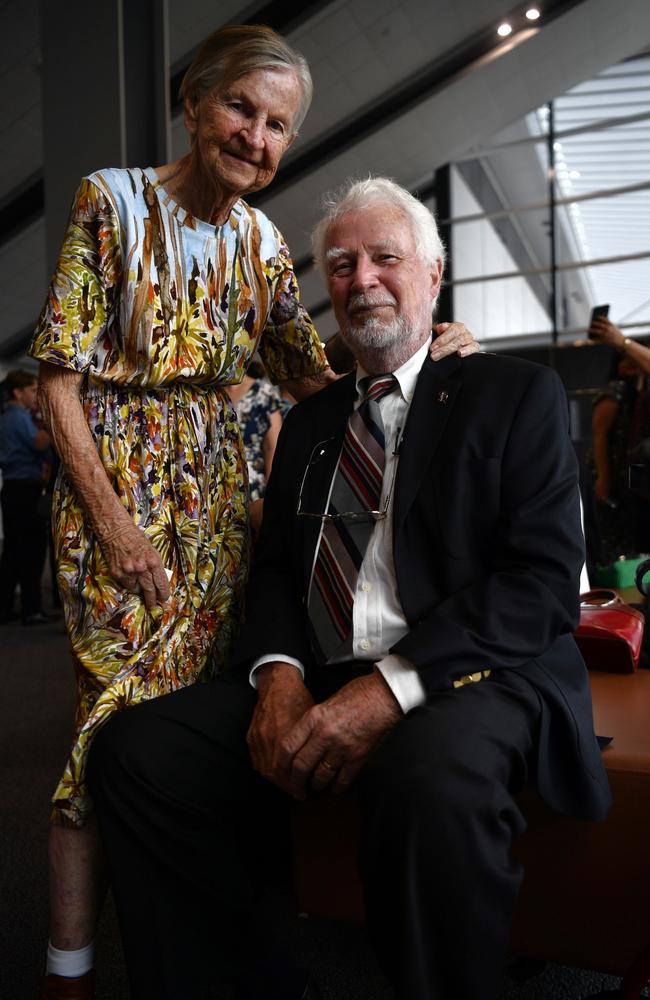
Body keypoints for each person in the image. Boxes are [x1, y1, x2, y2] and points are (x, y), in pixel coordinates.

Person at [30, 25, 479, 1000]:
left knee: (203, 738)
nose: (256, 137)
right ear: (195, 101)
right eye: (241, 109)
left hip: (230, 524)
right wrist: (112, 525)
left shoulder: (264, 243)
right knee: (104, 733)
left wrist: (419, 363)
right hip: (124, 526)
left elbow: (311, 378)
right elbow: (56, 379)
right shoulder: (110, 202)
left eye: (277, 126)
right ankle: (67, 973)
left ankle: (209, 936)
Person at [88, 177, 611, 1000]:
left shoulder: (513, 396)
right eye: (340, 264)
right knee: (136, 753)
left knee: (428, 780)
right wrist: (279, 677)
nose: (361, 278)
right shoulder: (310, 424)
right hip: (327, 665)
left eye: (384, 258)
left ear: (434, 275)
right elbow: (276, 573)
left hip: (468, 672)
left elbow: (541, 586)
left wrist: (388, 691)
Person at [0, 370, 53, 624]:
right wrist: (57, 419)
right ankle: (31, 608)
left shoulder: (9, 417)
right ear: (17, 393)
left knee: (13, 549)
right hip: (24, 489)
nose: (35, 395)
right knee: (31, 549)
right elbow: (40, 444)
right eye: (32, 390)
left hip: (14, 488)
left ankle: (8, 607)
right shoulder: (18, 417)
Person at [588, 351, 650, 564]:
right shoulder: (617, 388)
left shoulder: (638, 391)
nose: (632, 365)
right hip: (613, 470)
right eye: (626, 360)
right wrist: (603, 476)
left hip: (631, 473)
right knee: (612, 530)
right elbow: (599, 434)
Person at [227, 360, 283, 537]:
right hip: (214, 486)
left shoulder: (264, 392)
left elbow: (272, 448)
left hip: (251, 489)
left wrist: (272, 499)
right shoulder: (207, 392)